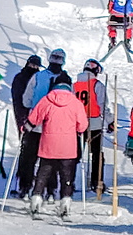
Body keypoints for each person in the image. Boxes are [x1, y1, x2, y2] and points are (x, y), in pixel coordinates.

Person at [27, 76, 89, 219]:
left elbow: (33, 119)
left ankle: (36, 199)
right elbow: (83, 126)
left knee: (43, 173)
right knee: (66, 176)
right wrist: (78, 130)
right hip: (68, 147)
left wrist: (26, 128)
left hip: (48, 144)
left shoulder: (47, 100)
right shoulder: (76, 103)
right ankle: (65, 203)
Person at [74, 59, 108, 194]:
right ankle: (97, 182)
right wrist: (109, 122)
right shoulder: (97, 85)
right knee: (97, 154)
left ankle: (69, 181)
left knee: (74, 154)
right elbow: (103, 106)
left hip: (77, 124)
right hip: (94, 124)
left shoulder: (75, 85)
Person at [10, 56, 42, 197]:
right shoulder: (20, 78)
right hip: (25, 119)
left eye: (36, 66)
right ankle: (23, 183)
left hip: (37, 120)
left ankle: (35, 183)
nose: (34, 68)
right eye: (32, 65)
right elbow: (18, 100)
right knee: (26, 153)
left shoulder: (39, 78)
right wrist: (23, 120)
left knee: (35, 153)